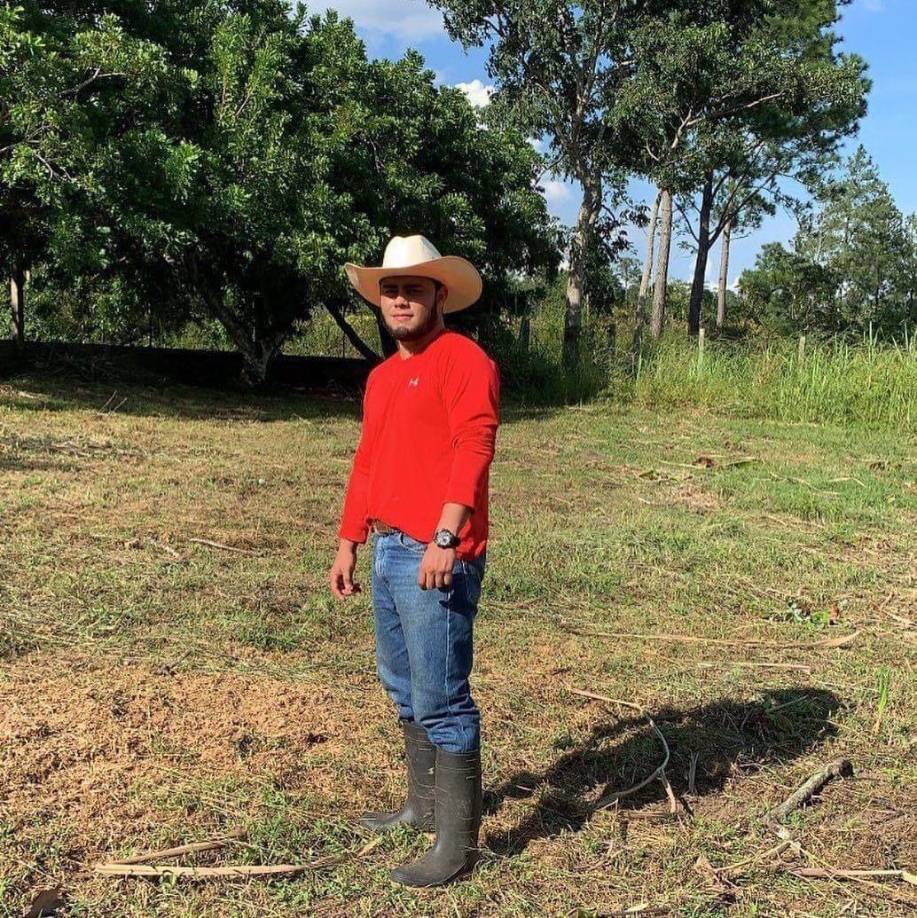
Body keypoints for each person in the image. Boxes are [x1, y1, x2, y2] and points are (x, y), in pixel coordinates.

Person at [329, 235, 500, 887]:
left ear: (439, 295)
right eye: (390, 290)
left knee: (442, 697)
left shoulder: (463, 360)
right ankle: (421, 807)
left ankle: (455, 848)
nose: (400, 299)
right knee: (402, 687)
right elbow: (367, 460)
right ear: (381, 300)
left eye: (413, 288)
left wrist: (446, 536)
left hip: (436, 553)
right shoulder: (381, 376)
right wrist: (349, 540)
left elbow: (473, 446)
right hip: (388, 548)